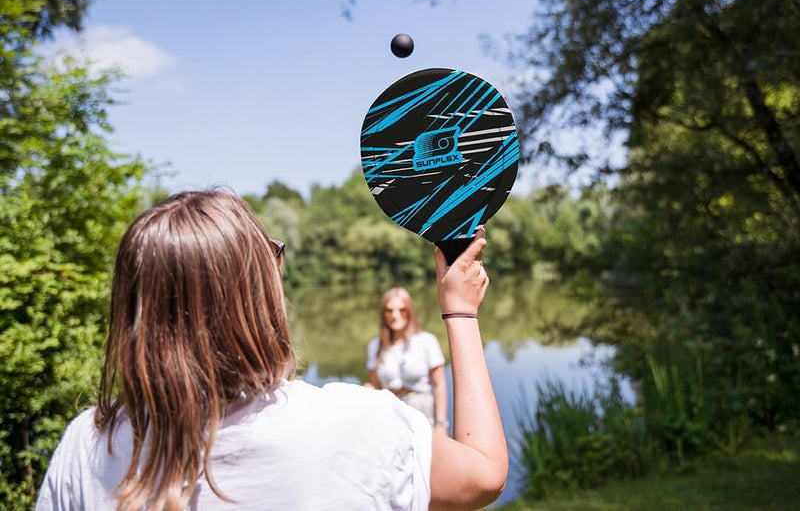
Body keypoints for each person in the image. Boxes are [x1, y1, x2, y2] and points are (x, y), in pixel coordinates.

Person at [35, 190, 507, 510]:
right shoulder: (358, 426)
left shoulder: (87, 444)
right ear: (255, 295)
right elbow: (484, 474)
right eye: (272, 257)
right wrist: (461, 312)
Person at [366, 288, 449, 435]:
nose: (395, 316)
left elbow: (439, 385)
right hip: (389, 412)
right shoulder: (375, 345)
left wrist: (441, 424)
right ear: (384, 314)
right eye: (389, 310)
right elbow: (376, 386)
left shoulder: (426, 341)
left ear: (409, 312)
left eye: (402, 310)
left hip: (422, 411)